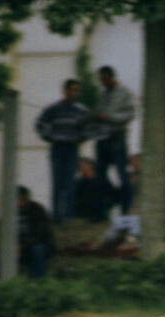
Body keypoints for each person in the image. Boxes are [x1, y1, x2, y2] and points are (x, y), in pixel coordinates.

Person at [35, 79, 89, 223]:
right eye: (71, 90)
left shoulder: (81, 110)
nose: (74, 93)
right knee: (57, 181)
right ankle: (57, 216)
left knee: (70, 182)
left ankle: (69, 215)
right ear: (65, 91)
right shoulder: (54, 108)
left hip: (72, 148)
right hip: (58, 147)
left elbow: (90, 127)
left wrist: (82, 138)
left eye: (77, 90)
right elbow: (40, 123)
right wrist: (48, 137)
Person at [91, 66, 135, 221]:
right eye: (101, 80)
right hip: (103, 138)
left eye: (104, 79)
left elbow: (130, 114)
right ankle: (101, 213)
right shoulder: (103, 95)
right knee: (100, 177)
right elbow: (97, 112)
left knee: (123, 175)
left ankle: (125, 210)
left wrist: (110, 117)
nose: (102, 83)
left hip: (117, 137)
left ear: (111, 77)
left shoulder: (125, 93)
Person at [17, 186, 55, 278]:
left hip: (39, 245)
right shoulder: (11, 212)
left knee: (38, 249)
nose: (20, 203)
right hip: (20, 247)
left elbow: (40, 235)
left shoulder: (37, 209)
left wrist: (23, 245)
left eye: (22, 199)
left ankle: (38, 280)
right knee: (6, 252)